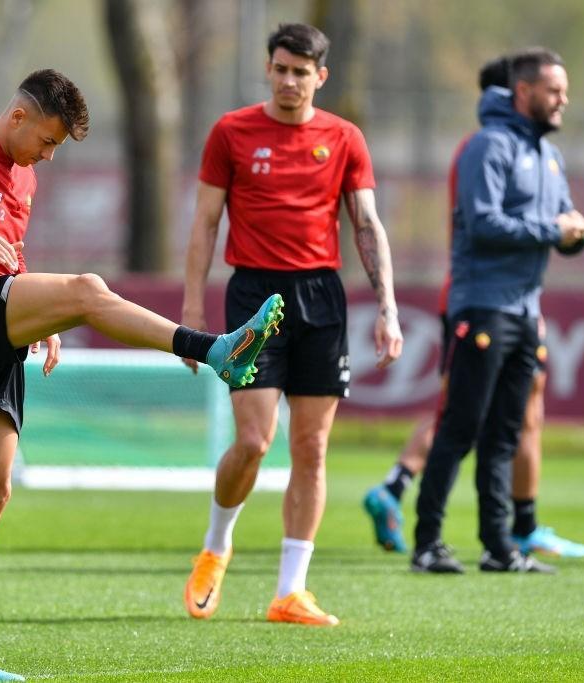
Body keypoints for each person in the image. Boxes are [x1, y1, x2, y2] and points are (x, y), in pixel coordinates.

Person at [0, 69, 283, 681]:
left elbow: (12, 259)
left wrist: (40, 320)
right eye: (46, 141)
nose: (48, 154)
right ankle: (214, 351)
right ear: (18, 116)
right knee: (89, 290)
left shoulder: (26, 176)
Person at [181, 23, 403, 626]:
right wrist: (193, 311)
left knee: (311, 448)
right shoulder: (230, 132)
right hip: (252, 291)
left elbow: (365, 223)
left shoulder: (345, 137)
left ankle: (290, 590)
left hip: (321, 298)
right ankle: (217, 545)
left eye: (300, 72)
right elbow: (204, 223)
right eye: (280, 68)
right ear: (269, 68)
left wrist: (387, 306)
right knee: (254, 442)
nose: (288, 80)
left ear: (319, 77)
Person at [363, 56, 584, 561]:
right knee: (459, 427)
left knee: (505, 434)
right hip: (481, 307)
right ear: (524, 91)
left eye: (565, 91)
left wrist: (574, 234)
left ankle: (498, 545)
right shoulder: (488, 146)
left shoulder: (549, 155)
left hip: (525, 311)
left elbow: (561, 217)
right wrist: (555, 231)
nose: (563, 100)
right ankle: (428, 543)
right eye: (554, 90)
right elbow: (483, 224)